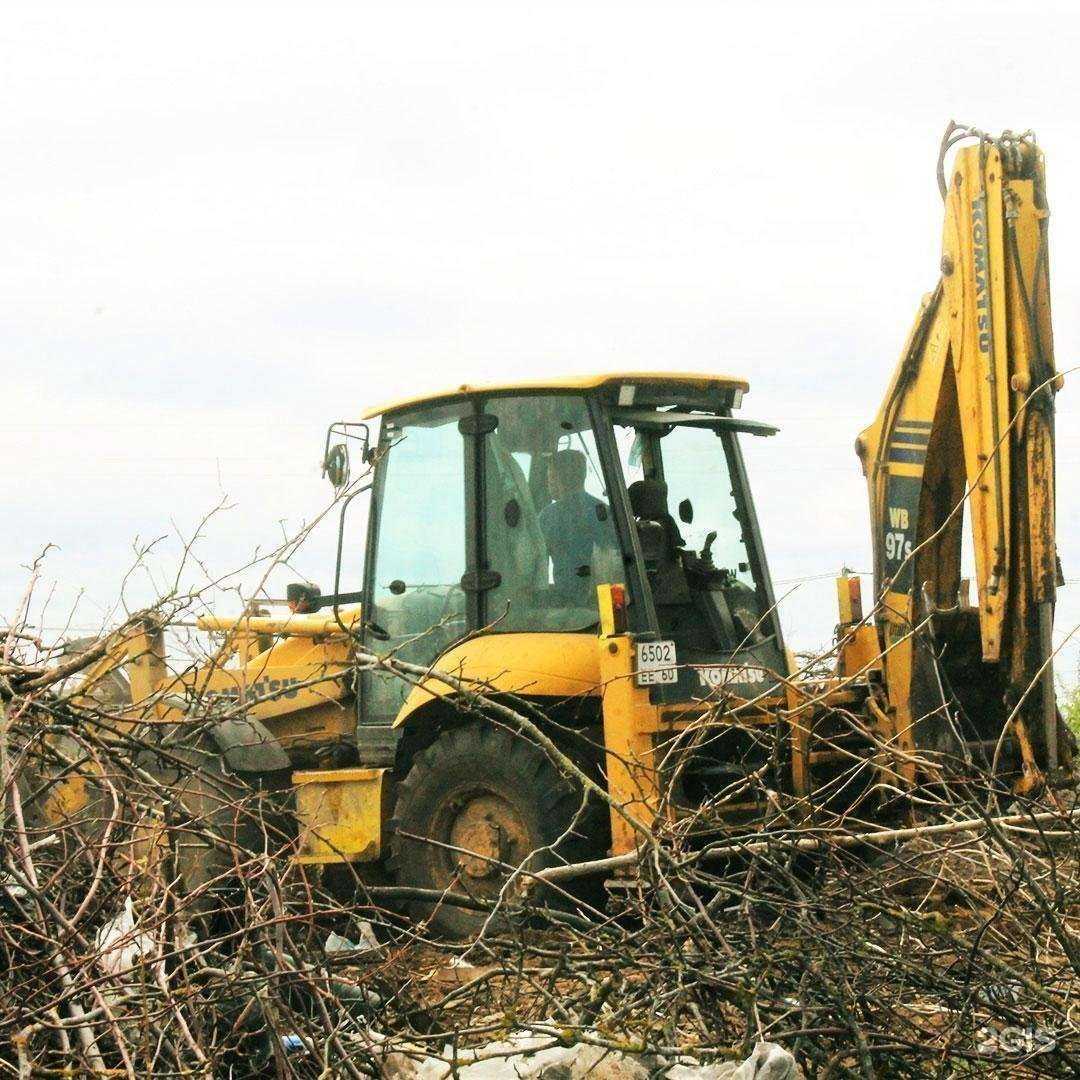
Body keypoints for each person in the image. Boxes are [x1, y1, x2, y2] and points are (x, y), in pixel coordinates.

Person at [538, 448, 611, 600]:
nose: (548, 483)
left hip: (568, 604)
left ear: (559, 478)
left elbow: (535, 564)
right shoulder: (606, 512)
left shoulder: (548, 517)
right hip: (607, 599)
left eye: (550, 477)